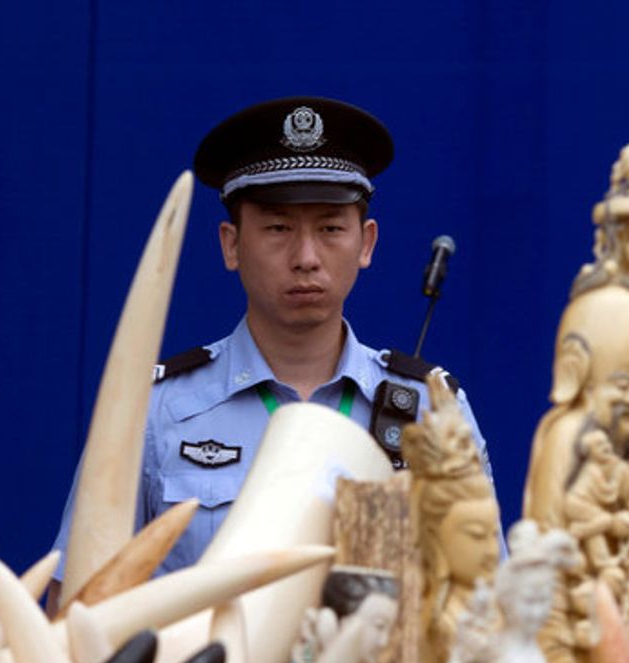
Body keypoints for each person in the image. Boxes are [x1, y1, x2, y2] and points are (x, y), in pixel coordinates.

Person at [52, 96, 492, 584]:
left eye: (330, 229)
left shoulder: (433, 414)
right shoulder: (153, 412)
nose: (306, 257)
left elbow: (485, 605)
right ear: (231, 244)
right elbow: (79, 607)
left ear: (366, 243)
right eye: (278, 228)